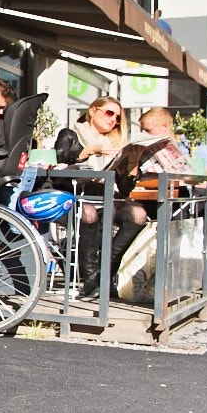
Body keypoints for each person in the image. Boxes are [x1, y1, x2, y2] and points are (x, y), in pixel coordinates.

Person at [54, 97, 146, 299]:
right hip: (74, 195)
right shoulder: (71, 134)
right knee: (89, 213)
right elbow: (60, 159)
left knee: (138, 214)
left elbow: (125, 188)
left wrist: (133, 162)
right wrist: (90, 151)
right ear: (93, 110)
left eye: (118, 118)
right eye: (109, 113)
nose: (113, 120)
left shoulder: (115, 144)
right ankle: (90, 279)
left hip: (105, 197)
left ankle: (105, 272)